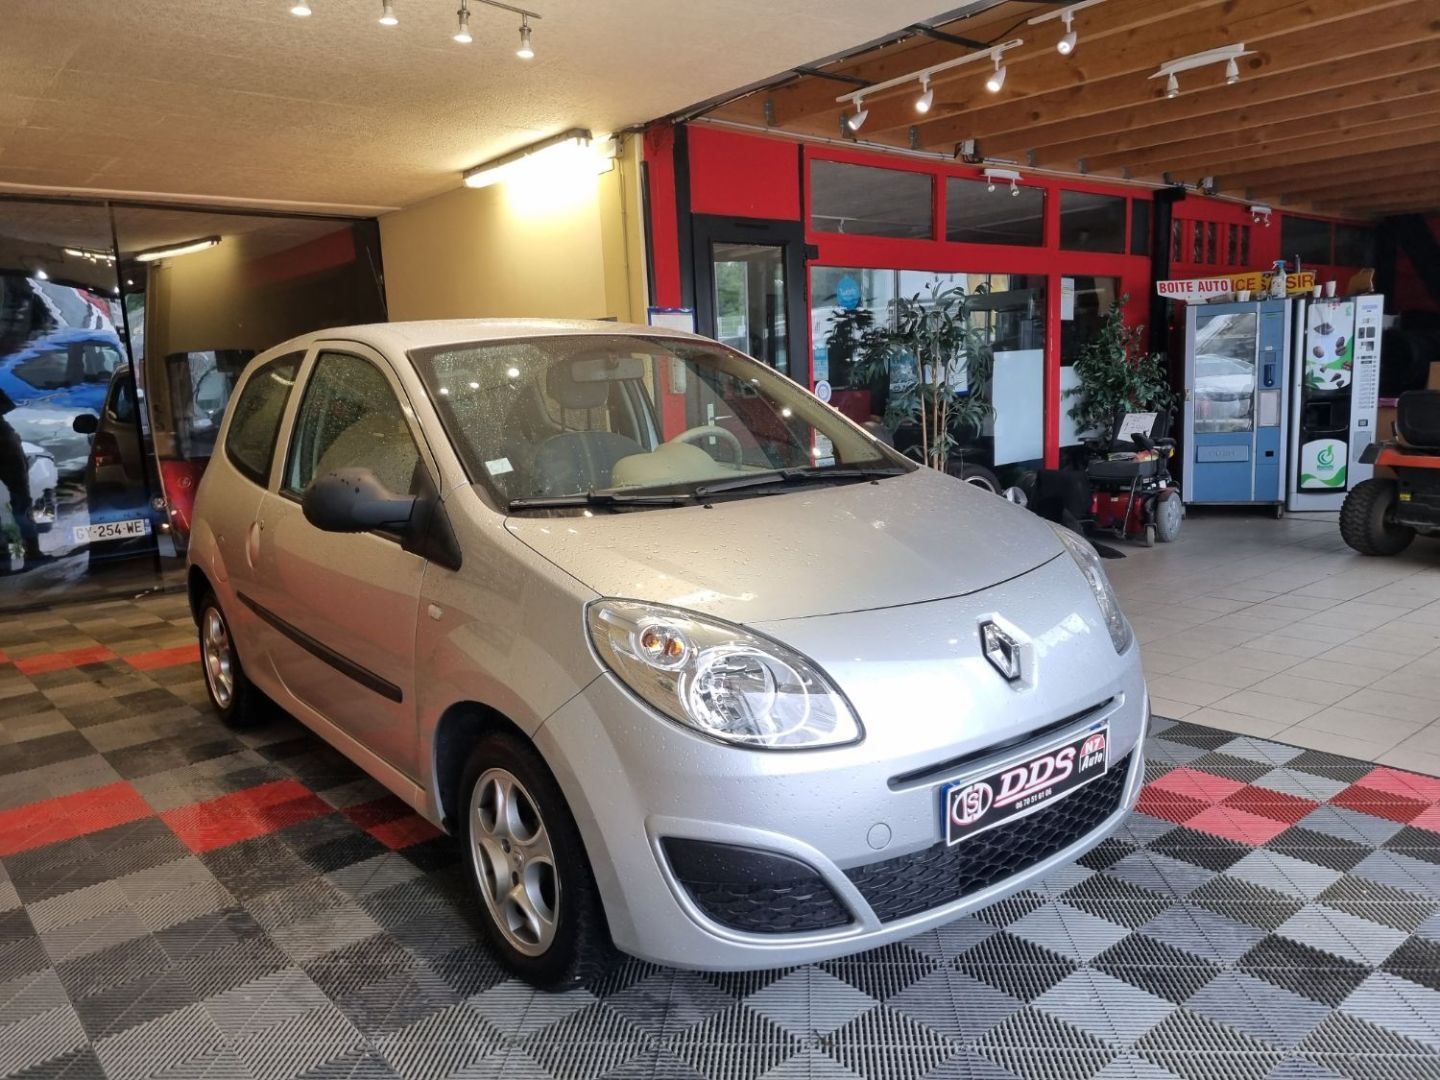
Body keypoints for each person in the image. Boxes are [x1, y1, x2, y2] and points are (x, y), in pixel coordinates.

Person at [0, 387, 43, 566]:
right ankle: (31, 550)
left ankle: (5, 555)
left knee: (20, 498)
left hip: (5, 442)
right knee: (20, 498)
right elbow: (7, 405)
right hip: (4, 442)